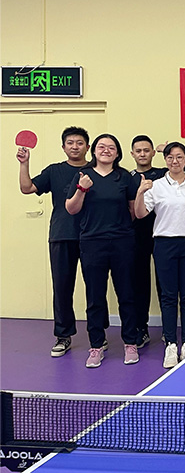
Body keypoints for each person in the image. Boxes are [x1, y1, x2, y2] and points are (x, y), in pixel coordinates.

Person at [65, 134, 139, 368]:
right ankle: (96, 346)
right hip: (92, 243)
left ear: (117, 153)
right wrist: (81, 189)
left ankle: (130, 343)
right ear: (94, 151)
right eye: (101, 147)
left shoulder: (124, 177)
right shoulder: (83, 176)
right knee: (95, 297)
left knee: (126, 294)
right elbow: (71, 209)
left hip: (122, 242)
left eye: (111, 147)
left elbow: (133, 211)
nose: (106, 150)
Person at [135, 142, 185, 368]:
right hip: (164, 243)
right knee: (168, 296)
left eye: (179, 157)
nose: (175, 161)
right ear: (165, 160)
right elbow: (140, 214)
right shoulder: (156, 185)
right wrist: (140, 192)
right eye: (170, 157)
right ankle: (170, 344)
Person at [17, 126, 89, 357]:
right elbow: (27, 188)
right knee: (62, 287)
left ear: (87, 147)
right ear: (63, 147)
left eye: (79, 143)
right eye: (70, 143)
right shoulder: (54, 171)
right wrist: (24, 163)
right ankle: (63, 336)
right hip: (62, 234)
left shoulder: (96, 170)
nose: (75, 147)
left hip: (92, 237)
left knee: (95, 288)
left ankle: (98, 336)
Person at [129, 135, 167, 349]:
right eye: (138, 151)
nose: (143, 154)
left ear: (153, 152)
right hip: (136, 237)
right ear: (132, 154)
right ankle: (140, 329)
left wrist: (165, 149)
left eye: (146, 150)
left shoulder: (163, 174)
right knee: (139, 283)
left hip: (163, 234)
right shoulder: (127, 177)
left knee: (165, 284)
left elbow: (184, 166)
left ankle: (167, 329)